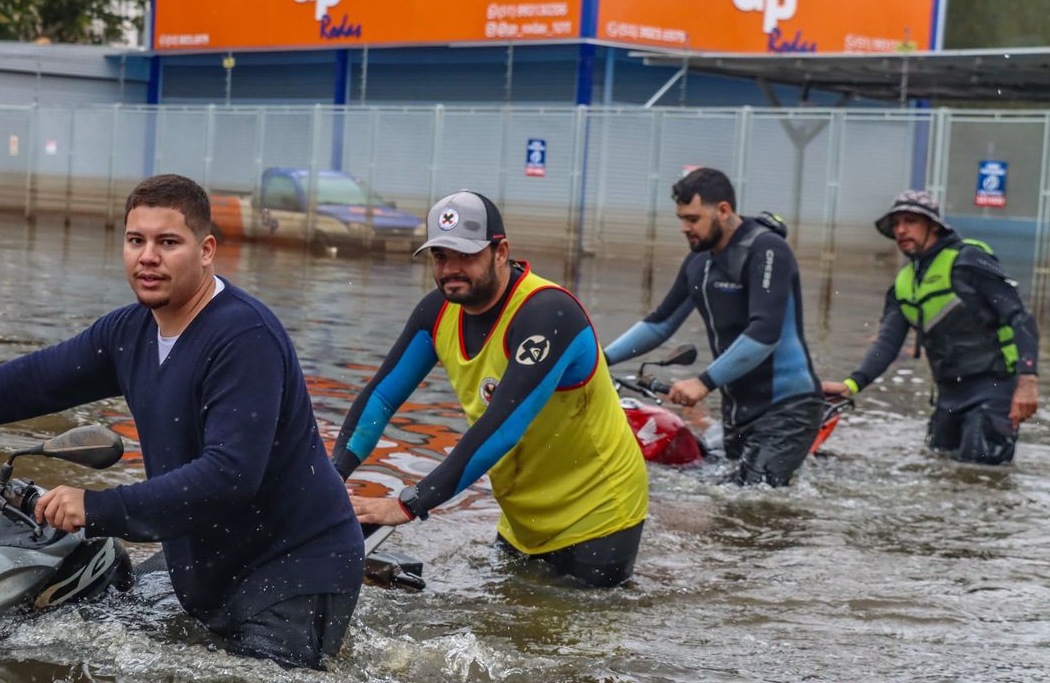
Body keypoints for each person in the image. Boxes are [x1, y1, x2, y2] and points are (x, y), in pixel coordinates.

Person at [0, 174, 363, 669]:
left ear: (206, 250)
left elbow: (230, 475)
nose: (148, 257)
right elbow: (38, 379)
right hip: (210, 564)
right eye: (136, 240)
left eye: (168, 242)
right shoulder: (129, 332)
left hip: (293, 571)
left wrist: (96, 507)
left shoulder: (244, 338)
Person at [335, 190, 648, 589]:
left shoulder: (548, 313)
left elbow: (502, 427)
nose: (450, 269)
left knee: (573, 642)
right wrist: (330, 478)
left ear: (501, 252)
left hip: (600, 514)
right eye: (440, 257)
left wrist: (407, 504)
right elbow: (381, 396)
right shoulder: (436, 312)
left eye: (465, 255)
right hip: (524, 517)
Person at [602, 167, 823, 487]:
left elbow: (765, 333)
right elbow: (660, 323)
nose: (684, 228)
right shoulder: (699, 262)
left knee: (755, 503)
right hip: (738, 410)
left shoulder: (768, 250)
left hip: (788, 409)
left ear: (723, 210)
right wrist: (597, 360)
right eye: (681, 219)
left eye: (692, 219)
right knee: (724, 499)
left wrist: (704, 382)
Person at [821, 190, 1039, 464]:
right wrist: (851, 384)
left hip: (993, 389)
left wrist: (1027, 381)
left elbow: (1020, 316)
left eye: (910, 221)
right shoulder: (903, 285)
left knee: (982, 479)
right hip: (948, 396)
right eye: (896, 224)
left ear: (933, 226)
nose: (901, 230)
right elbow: (887, 344)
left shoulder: (968, 260)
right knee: (940, 471)